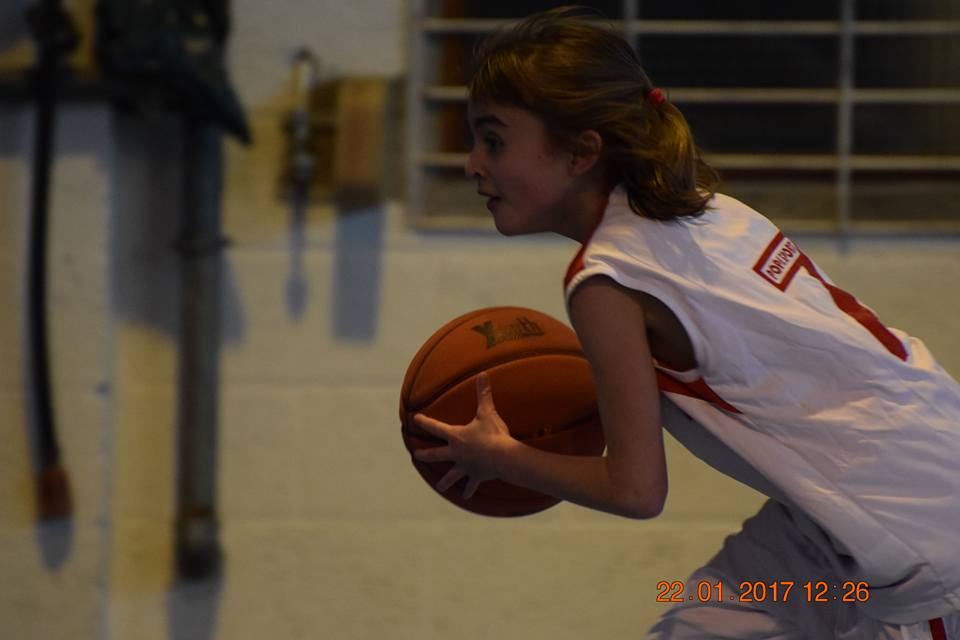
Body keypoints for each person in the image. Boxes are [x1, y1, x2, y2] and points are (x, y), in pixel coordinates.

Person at [411, 7, 960, 639]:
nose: (472, 163)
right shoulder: (712, 210)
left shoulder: (607, 279)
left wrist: (501, 457)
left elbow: (635, 491)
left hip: (921, 532)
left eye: (494, 141)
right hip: (849, 508)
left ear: (581, 151)